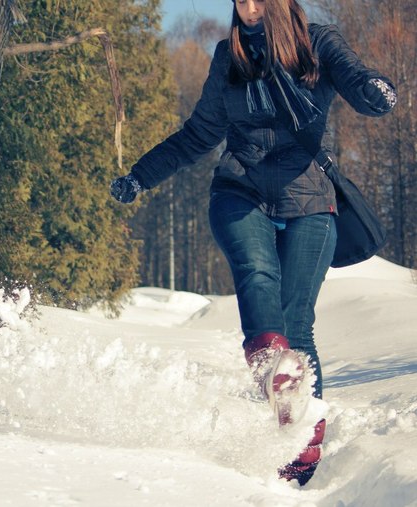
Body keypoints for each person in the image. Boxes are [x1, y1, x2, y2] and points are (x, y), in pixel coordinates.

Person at [110, 0, 397, 486]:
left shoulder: (319, 45)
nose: (247, 5)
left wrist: (376, 91)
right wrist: (141, 176)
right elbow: (198, 134)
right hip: (240, 191)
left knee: (297, 326)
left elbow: (356, 79)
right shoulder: (229, 56)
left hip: (308, 199)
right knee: (256, 275)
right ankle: (273, 371)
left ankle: (302, 447)